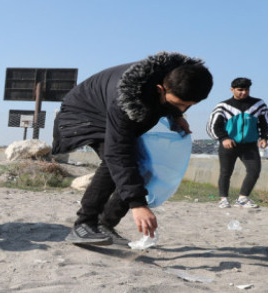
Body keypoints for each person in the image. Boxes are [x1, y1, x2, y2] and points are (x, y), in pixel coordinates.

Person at [51, 51, 213, 246]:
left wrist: (176, 116)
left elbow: (174, 104)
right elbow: (117, 152)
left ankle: (105, 224)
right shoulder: (127, 97)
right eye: (178, 105)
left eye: (189, 106)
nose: (183, 109)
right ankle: (84, 224)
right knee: (120, 161)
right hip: (83, 115)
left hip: (110, 109)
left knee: (145, 165)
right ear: (161, 88)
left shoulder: (180, 77)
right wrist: (138, 204)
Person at [206, 77, 268, 209]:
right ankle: (223, 199)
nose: (244, 92)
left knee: (254, 171)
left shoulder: (258, 105)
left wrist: (264, 137)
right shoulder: (223, 106)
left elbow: (266, 123)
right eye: (240, 90)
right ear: (232, 90)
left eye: (246, 90)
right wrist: (224, 139)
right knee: (226, 172)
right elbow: (212, 126)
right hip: (229, 145)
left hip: (250, 145)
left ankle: (242, 198)